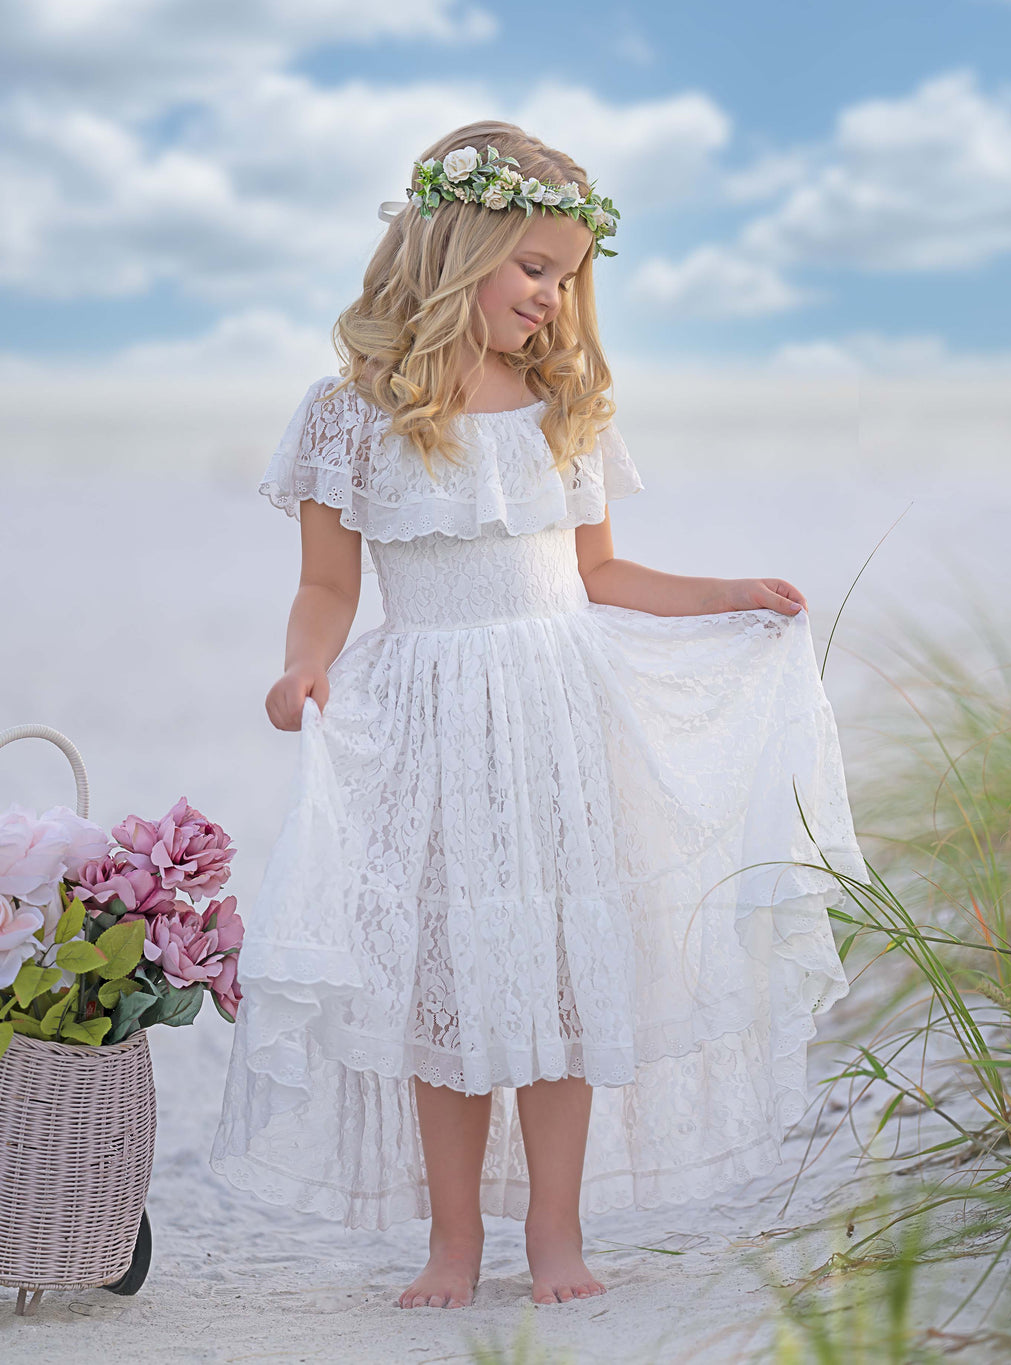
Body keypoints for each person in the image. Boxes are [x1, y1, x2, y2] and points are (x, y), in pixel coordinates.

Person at [210, 120, 868, 1310]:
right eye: (533, 271)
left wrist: (720, 595)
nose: (553, 301)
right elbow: (325, 585)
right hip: (428, 714)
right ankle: (453, 1242)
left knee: (565, 979)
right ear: (460, 247)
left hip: (561, 713)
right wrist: (302, 668)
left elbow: (603, 576)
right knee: (447, 982)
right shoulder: (351, 412)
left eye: (567, 279)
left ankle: (554, 1233)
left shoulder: (566, 404)